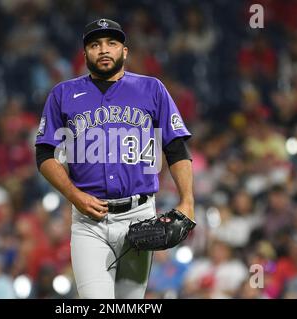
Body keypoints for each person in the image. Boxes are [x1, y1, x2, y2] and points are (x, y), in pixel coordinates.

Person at [35, 18, 195, 299]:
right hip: (89, 222)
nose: (104, 50)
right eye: (95, 45)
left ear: (125, 51)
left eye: (112, 43)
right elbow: (44, 154)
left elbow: (176, 146)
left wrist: (188, 201)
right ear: (85, 55)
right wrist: (73, 195)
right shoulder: (63, 94)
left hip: (140, 216)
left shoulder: (152, 89)